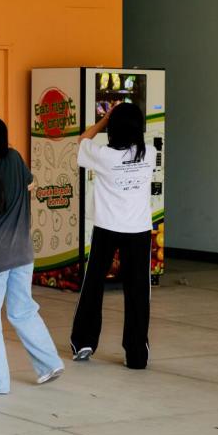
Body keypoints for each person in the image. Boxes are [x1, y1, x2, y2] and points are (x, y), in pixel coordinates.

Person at [0, 116, 64, 394]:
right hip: (22, 254)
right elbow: (30, 185)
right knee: (23, 311)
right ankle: (49, 363)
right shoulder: (16, 160)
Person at [70, 102, 155, 369]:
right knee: (138, 291)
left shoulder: (104, 156)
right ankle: (137, 354)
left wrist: (103, 121)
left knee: (94, 285)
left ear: (113, 128)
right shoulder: (149, 154)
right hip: (139, 230)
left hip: (107, 228)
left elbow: (82, 140)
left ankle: (84, 342)